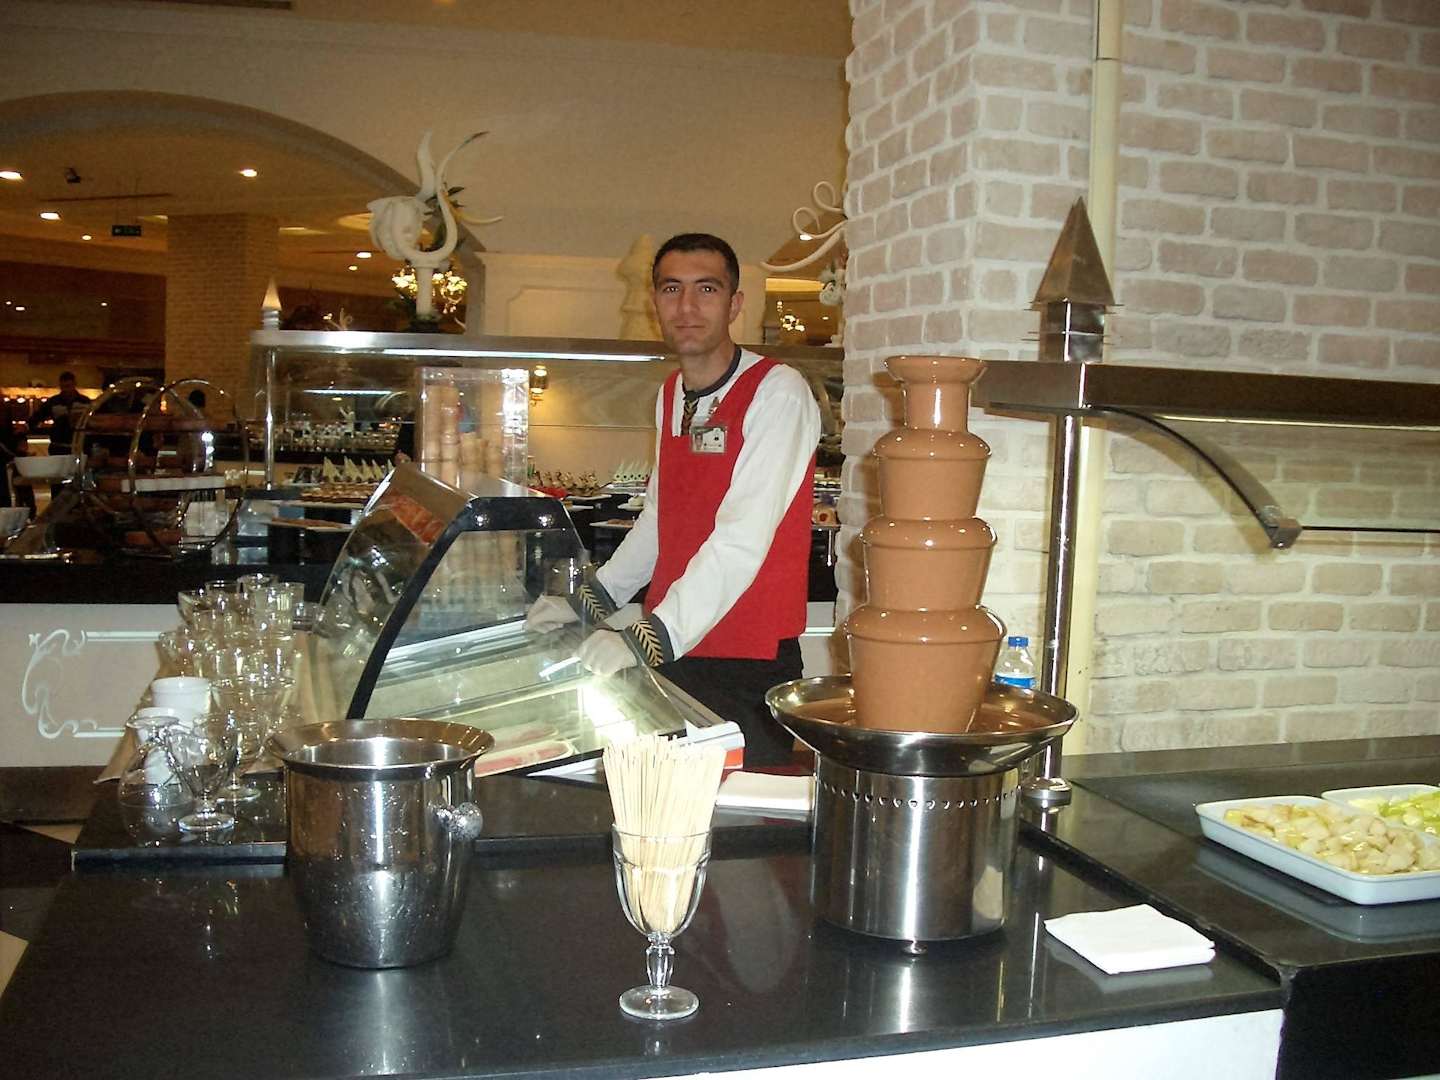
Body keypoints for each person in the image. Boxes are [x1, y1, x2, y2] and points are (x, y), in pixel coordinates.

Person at [527, 233, 820, 764]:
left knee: (738, 807)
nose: (687, 306)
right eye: (671, 289)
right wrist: (587, 603)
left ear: (735, 303)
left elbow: (742, 539)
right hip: (675, 649)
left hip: (745, 658)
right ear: (654, 302)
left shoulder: (778, 391)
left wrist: (646, 638)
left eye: (706, 289)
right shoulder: (670, 393)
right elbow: (658, 521)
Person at [28, 371, 91, 456]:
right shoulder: (53, 402)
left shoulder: (85, 402)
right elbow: (38, 416)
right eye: (63, 387)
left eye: (68, 386)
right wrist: (28, 426)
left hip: (79, 445)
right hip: (59, 445)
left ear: (74, 384)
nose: (66, 390)